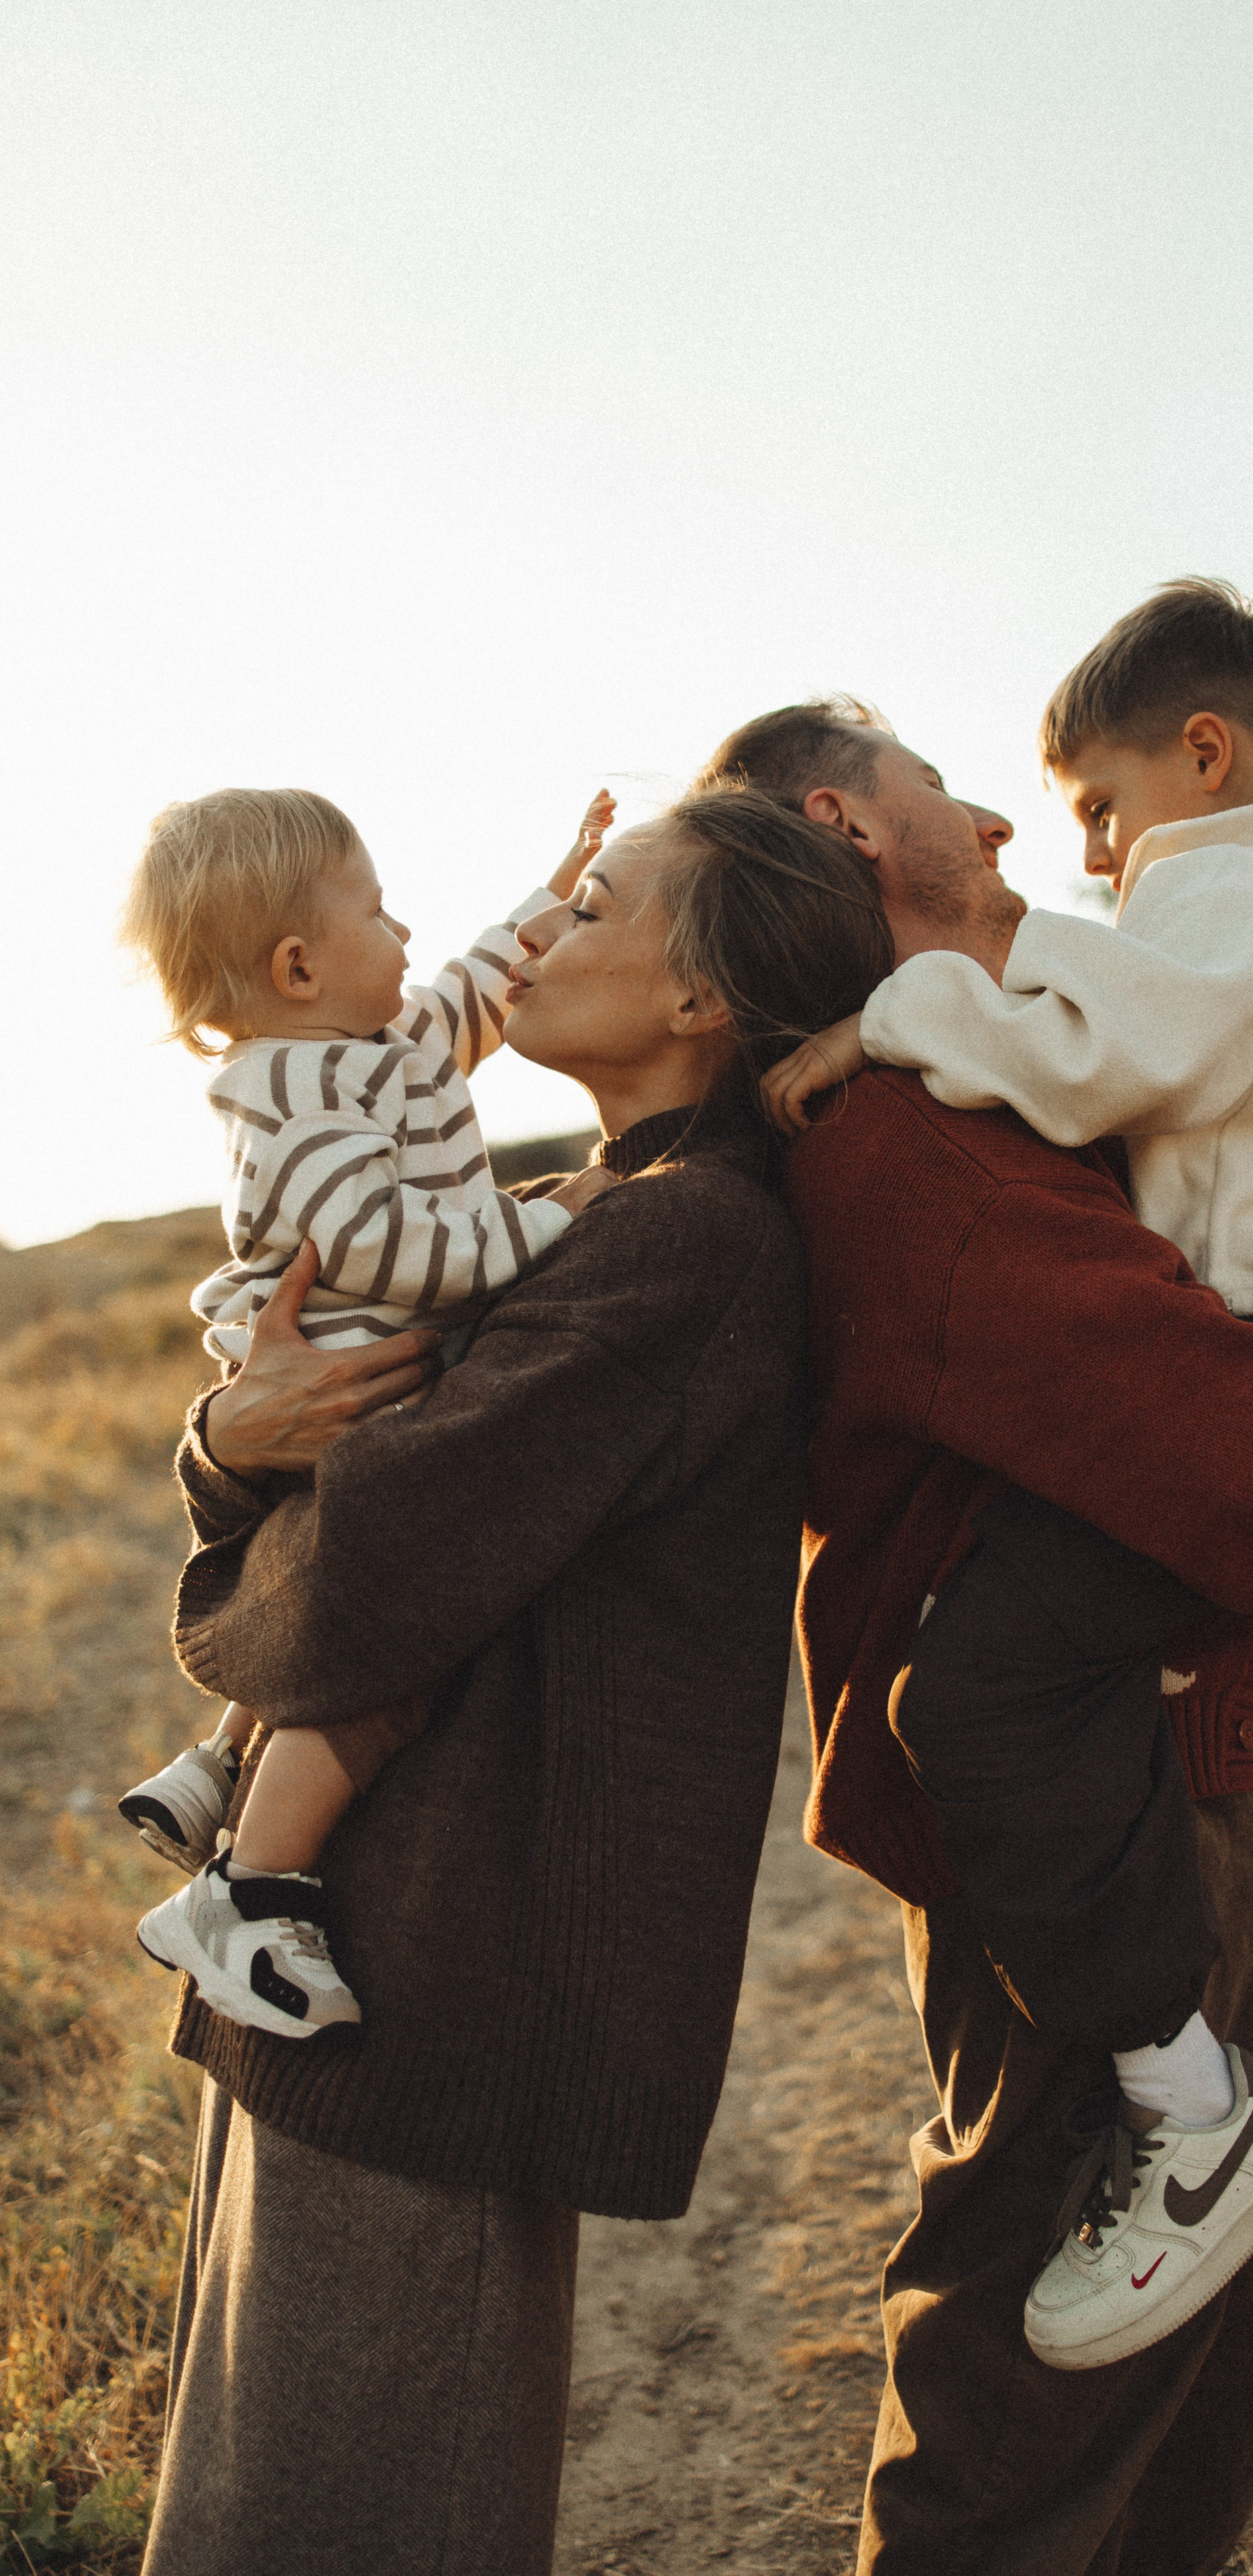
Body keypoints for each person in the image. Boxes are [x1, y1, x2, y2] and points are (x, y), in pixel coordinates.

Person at [697, 698, 1253, 2574]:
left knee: (1218, 2271)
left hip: (1158, 1744)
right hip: (1082, 1813)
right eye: (945, 792)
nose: (1009, 826)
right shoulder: (910, 1138)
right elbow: (1232, 1437)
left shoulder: (968, 1081)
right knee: (1033, 2351)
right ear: (849, 826)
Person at [138, 786, 893, 2576]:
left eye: (599, 910)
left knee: (348, 2513)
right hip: (360, 1947)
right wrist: (232, 1432)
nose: (536, 937)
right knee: (262, 2495)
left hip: (438, 1984)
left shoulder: (683, 1239)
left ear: (703, 1000)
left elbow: (377, 1557)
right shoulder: (600, 1204)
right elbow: (342, 1472)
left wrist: (245, 1469)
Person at [115, 783, 614, 2037]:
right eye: (380, 911)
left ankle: (218, 1765)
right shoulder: (290, 1096)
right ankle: (250, 1894)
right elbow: (387, 1243)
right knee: (373, 1652)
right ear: (296, 967)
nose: (407, 935)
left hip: (370, 1396)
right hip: (356, 1397)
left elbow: (471, 991)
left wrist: (562, 898)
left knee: (328, 1602)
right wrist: (554, 1218)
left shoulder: (372, 1047)